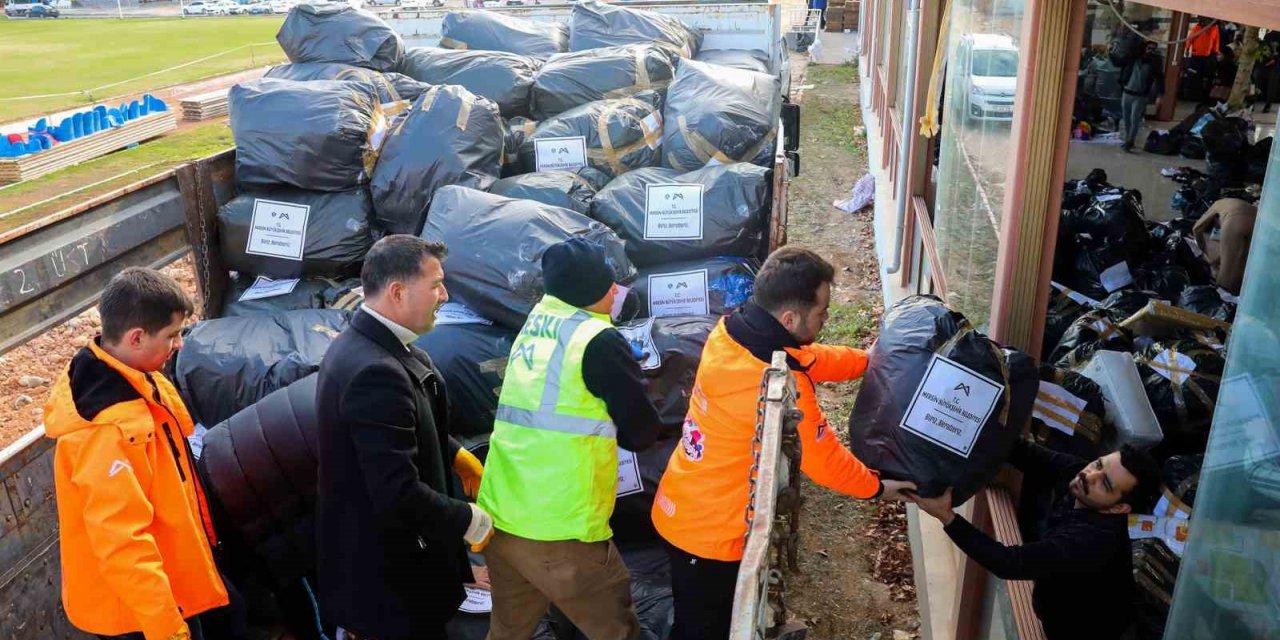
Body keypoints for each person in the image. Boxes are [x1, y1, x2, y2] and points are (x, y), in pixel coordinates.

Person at [651, 247, 916, 640]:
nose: (826, 318)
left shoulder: (731, 332)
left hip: (685, 500)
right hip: (709, 534)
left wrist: (865, 360)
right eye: (822, 312)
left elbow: (806, 357)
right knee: (702, 629)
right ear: (789, 318)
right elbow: (823, 459)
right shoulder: (774, 381)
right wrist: (877, 487)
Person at [478, 237, 662, 640]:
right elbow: (641, 433)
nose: (616, 291)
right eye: (610, 284)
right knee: (617, 630)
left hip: (504, 516)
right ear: (594, 289)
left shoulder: (540, 319)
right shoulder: (598, 341)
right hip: (561, 530)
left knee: (509, 630)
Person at [315, 235, 491, 640]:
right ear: (397, 291)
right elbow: (396, 492)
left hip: (391, 573)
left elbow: (397, 429)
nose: (444, 296)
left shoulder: (379, 348)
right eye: (435, 285)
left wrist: (454, 453)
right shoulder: (375, 373)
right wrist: (469, 519)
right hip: (387, 585)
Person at [45, 267, 229, 640]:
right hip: (137, 615)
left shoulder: (132, 373)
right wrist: (168, 630)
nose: (179, 345)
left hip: (165, 589)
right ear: (135, 337)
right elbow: (123, 545)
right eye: (172, 335)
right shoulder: (104, 433)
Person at [911, 440, 1161, 640]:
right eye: (1098, 464)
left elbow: (1009, 562)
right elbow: (1027, 453)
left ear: (1119, 509)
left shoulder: (1091, 542)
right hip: (1060, 604)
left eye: (1105, 484)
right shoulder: (1082, 476)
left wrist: (947, 517)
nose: (1090, 475)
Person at [1193, 197, 1258, 295]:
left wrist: (1204, 253)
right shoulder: (1221, 203)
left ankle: (1231, 298)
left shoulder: (1223, 220)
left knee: (1226, 279)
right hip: (1257, 217)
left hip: (1234, 221)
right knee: (1245, 256)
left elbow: (1196, 229)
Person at [1120, 41, 1164, 152]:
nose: (1151, 50)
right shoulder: (1134, 59)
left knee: (1135, 119)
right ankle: (1128, 139)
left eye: (1154, 49)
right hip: (1127, 92)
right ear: (1144, 48)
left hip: (1140, 95)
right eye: (1149, 48)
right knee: (1126, 118)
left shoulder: (1154, 63)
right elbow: (1123, 59)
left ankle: (1130, 141)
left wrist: (1160, 94)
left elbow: (1160, 78)